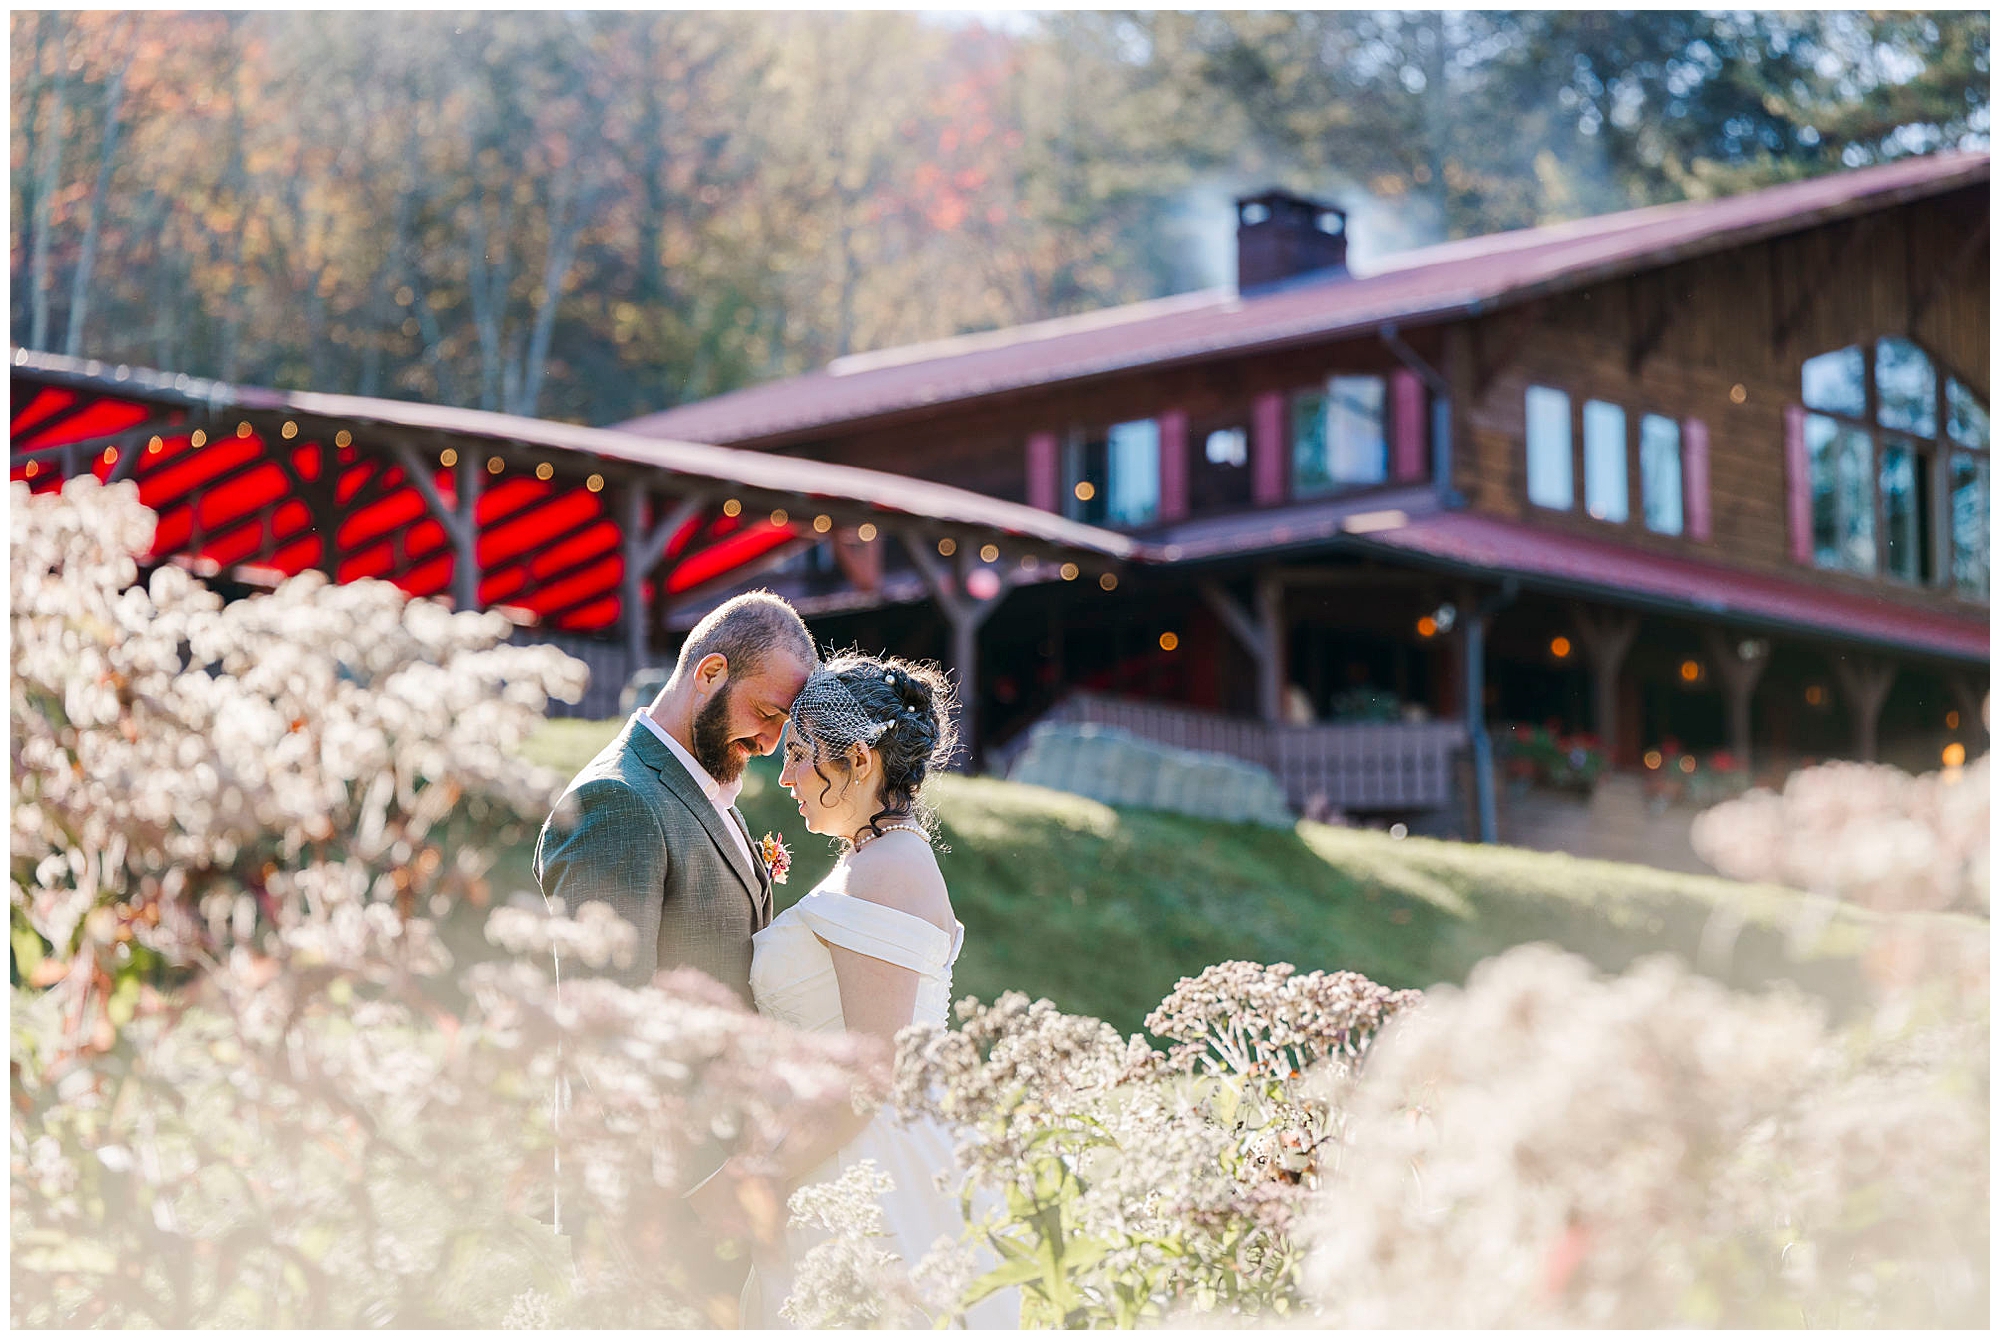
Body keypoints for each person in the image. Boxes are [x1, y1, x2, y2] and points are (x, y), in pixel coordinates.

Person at [533, 589, 816, 1318]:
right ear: (711, 672)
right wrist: (682, 1198)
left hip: (718, 1187)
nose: (773, 744)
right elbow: (605, 1028)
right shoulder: (617, 804)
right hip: (664, 1203)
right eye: (768, 715)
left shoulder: (696, 786)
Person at [732, 651, 1020, 1328]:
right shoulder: (876, 857)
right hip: (847, 1151)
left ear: (860, 761)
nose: (787, 773)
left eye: (802, 754)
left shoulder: (887, 868)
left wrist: (756, 1183)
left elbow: (873, 1073)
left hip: (867, 1168)